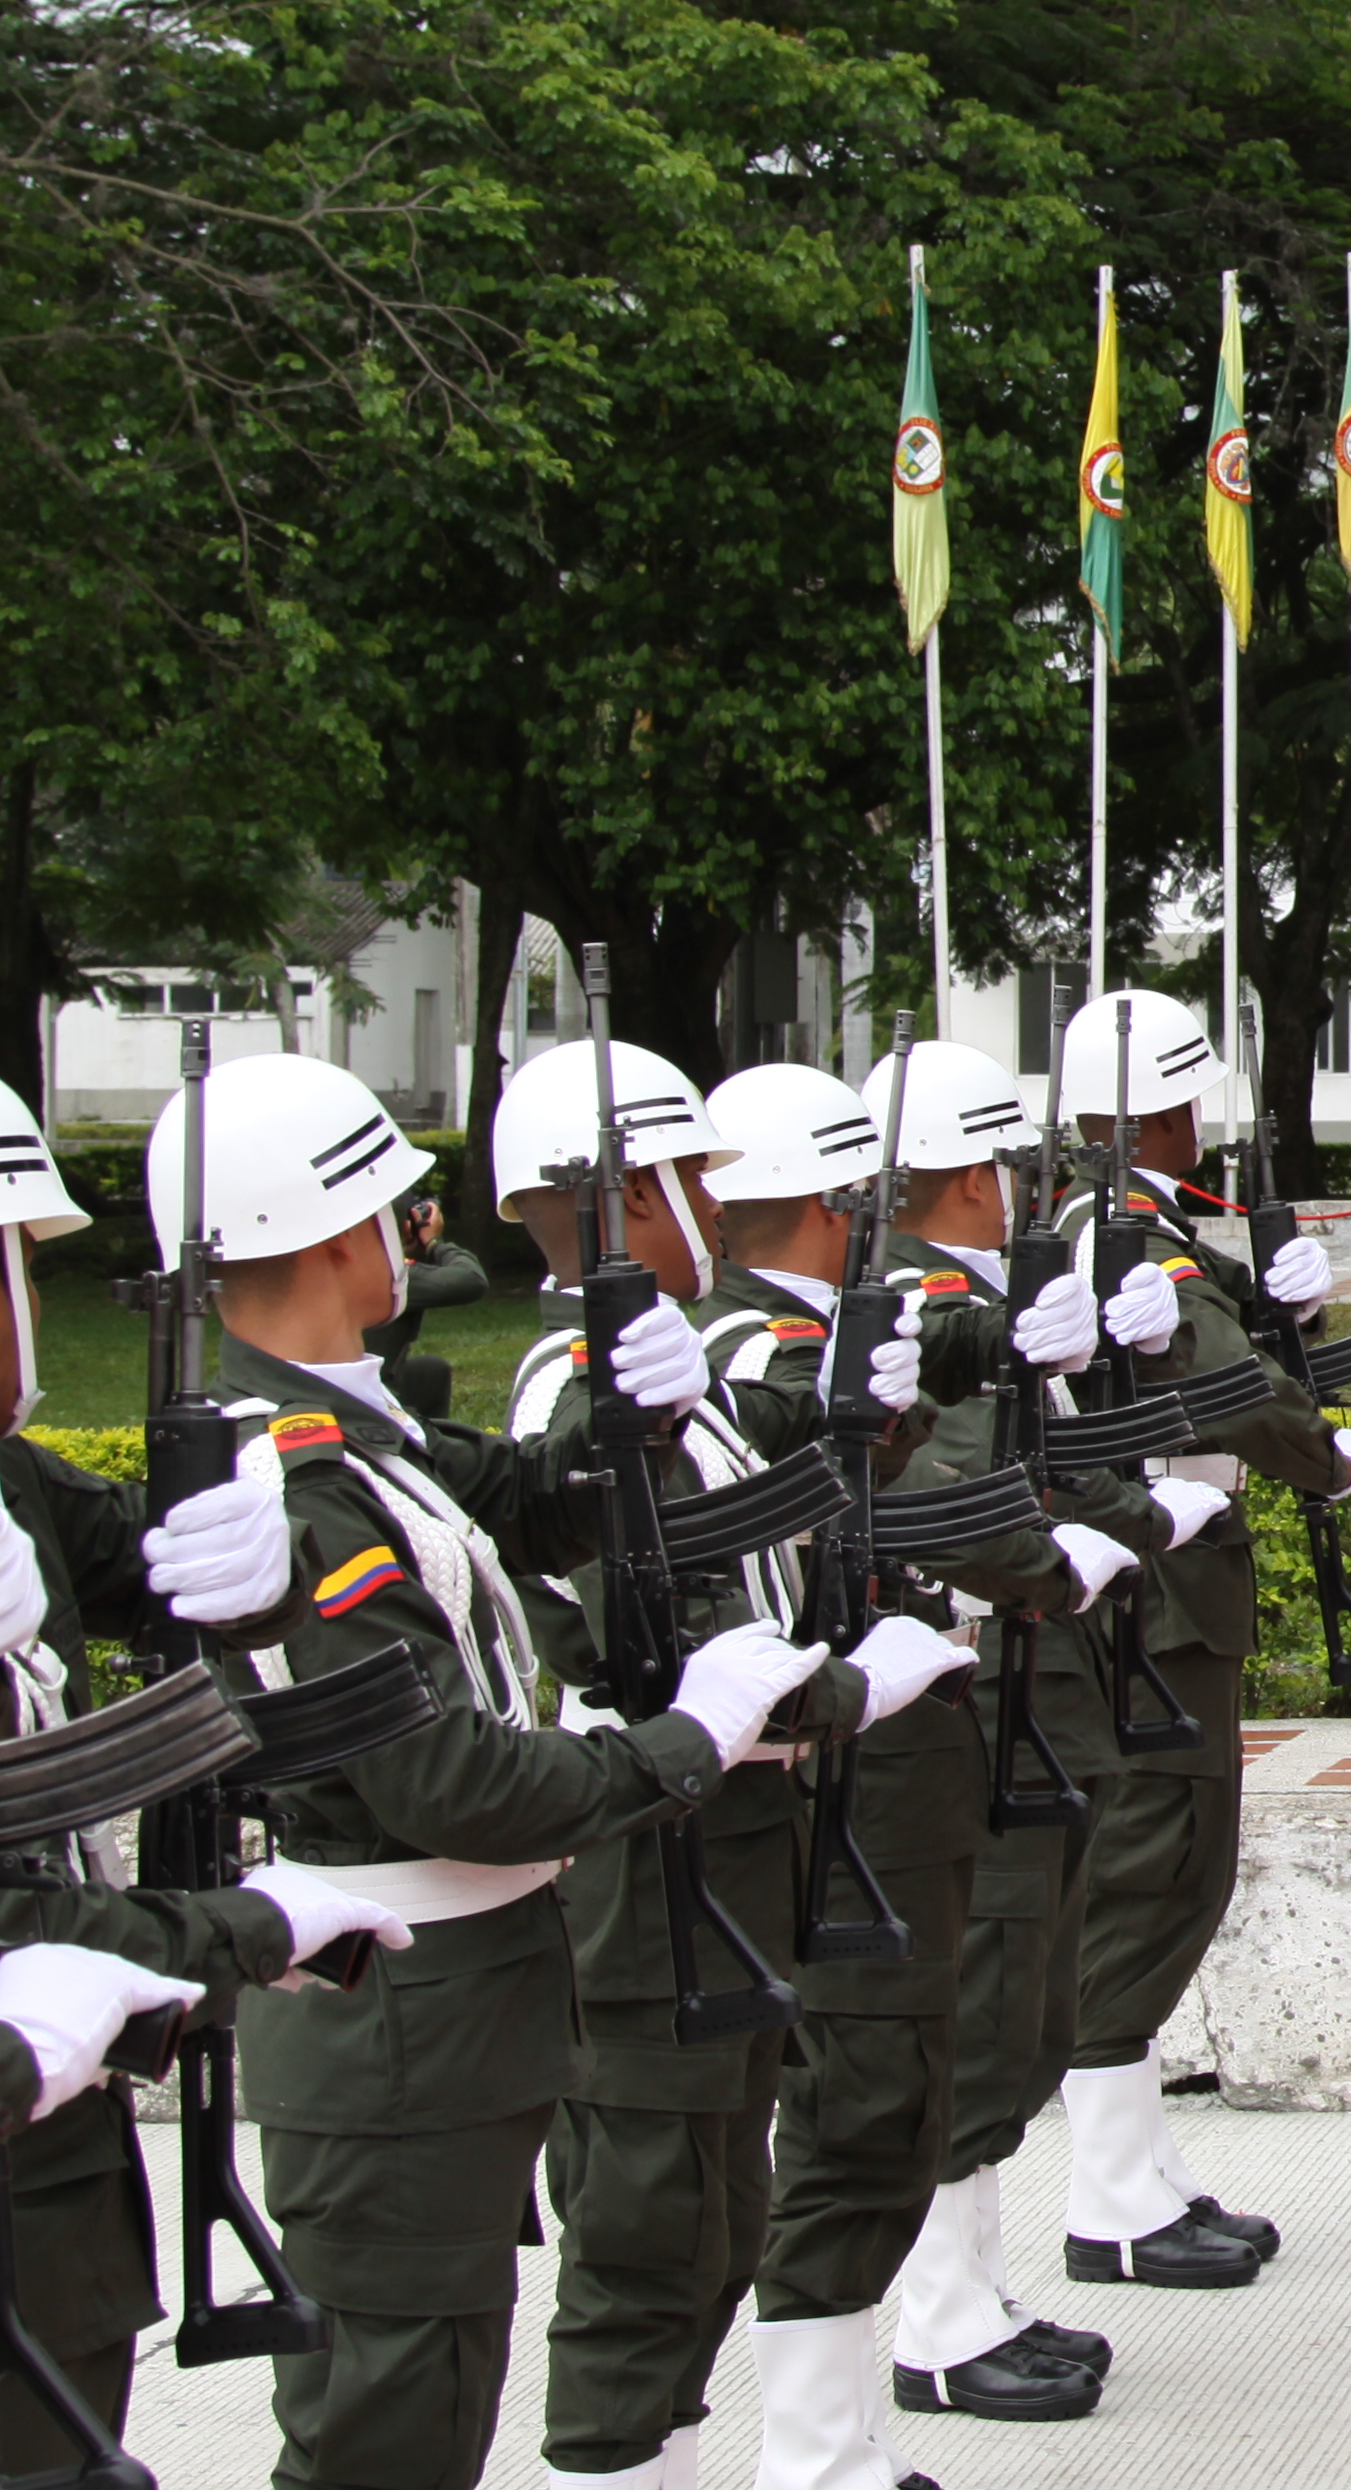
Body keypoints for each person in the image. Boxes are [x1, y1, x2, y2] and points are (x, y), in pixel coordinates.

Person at [128, 1051, 837, 2490]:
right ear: (331, 1238)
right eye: (393, 1210)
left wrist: (631, 1418)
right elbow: (450, 1786)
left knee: (433, 2400)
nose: (420, 1234)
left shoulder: (354, 1436)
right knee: (387, 2423)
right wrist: (685, 1738)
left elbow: (519, 1498)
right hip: (397, 2011)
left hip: (452, 1998)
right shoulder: (294, 1490)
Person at [491, 1038, 966, 2490]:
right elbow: (630, 1640)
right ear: (626, 1195)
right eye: (689, 1176)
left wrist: (868, 1428)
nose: (714, 1198)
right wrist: (843, 1692)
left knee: (710, 2224)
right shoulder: (576, 1390)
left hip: (729, 1844)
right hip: (647, 1865)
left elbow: (764, 1543)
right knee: (645, 2240)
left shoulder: (666, 1381)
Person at [0, 1074, 407, 2479]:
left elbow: (155, 1564)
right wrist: (255, 1930)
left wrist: (255, 1533)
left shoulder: (14, 1484)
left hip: (55, 2188)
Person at [715, 1046, 1102, 2482]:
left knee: (933, 2061)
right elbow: (915, 1501)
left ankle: (877, 2399)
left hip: (897, 1733)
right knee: (865, 2091)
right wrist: (1041, 1560)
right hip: (850, 1758)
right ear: (837, 1206)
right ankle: (825, 2441)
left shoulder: (835, 1340)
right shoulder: (759, 1360)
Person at [860, 1035, 1182, 2430]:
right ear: (949, 1175)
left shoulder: (986, 1304)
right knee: (979, 2005)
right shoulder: (915, 1316)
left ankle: (972, 2291)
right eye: (991, 1165)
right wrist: (1071, 1552)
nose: (1010, 1189)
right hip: (976, 1704)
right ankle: (935, 2316)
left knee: (1017, 2005)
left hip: (1032, 1694)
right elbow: (956, 1497)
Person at [1054, 990, 1351, 2308]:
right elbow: (1220, 1383)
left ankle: (1135, 2171)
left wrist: (1277, 1299)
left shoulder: (1136, 1224)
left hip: (1170, 1582)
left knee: (1173, 1874)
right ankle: (1108, 2198)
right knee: (1152, 1874)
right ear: (1155, 1109)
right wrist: (1329, 1453)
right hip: (1156, 1591)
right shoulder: (1124, 1234)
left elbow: (1226, 1344)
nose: (1207, 1119)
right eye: (1193, 1097)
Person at [361, 1192, 488, 1427]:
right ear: (408, 1227)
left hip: (325, 1384)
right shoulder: (388, 1277)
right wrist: (433, 1243)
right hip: (365, 1398)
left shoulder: (350, 1268)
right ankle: (427, 1452)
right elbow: (470, 1280)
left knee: (430, 1372)